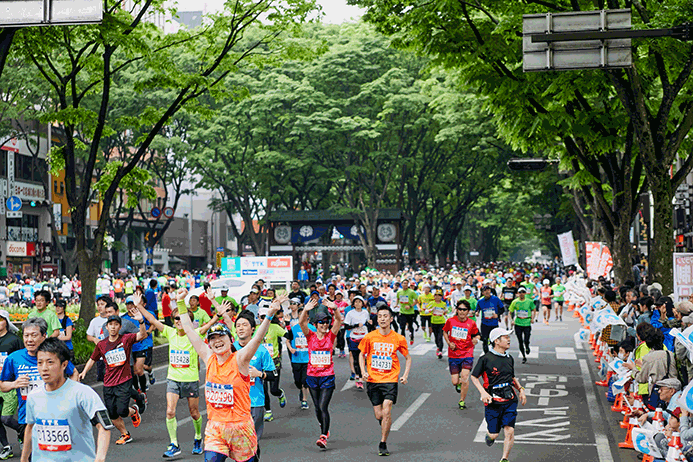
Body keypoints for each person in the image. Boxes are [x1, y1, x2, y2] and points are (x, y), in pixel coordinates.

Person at [179, 287, 286, 462]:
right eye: (213, 338)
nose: (217, 341)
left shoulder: (240, 359)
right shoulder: (208, 358)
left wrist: (269, 316)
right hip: (216, 429)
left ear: (231, 340)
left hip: (241, 429)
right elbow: (190, 332)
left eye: (222, 337)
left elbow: (257, 338)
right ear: (210, 343)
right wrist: (180, 302)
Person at [135, 298, 205, 458]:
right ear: (173, 321)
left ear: (189, 321)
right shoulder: (170, 332)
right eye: (176, 318)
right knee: (170, 411)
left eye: (183, 317)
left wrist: (218, 314)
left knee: (194, 413)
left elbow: (212, 323)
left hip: (191, 380)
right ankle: (174, 443)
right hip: (173, 379)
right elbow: (152, 320)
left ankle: (198, 437)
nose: (179, 321)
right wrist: (139, 306)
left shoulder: (195, 333)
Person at [22, 338, 111, 462]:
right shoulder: (33, 396)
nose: (44, 368)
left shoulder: (82, 393)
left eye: (50, 362)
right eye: (40, 363)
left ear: (64, 364)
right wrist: (24, 458)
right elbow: (30, 428)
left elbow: (104, 427)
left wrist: (99, 459)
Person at [0, 317, 80, 448]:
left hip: (56, 413)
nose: (29, 340)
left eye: (33, 335)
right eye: (26, 335)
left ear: (44, 336)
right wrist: (15, 384)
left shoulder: (55, 354)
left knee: (58, 452)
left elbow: (74, 373)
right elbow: (2, 386)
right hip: (28, 417)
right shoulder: (14, 358)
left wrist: (69, 395)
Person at [79, 311, 148, 445]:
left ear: (120, 327)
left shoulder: (126, 339)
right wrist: (84, 372)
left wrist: (141, 322)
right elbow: (92, 359)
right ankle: (125, 434)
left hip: (124, 379)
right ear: (106, 327)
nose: (113, 327)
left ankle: (133, 411)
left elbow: (142, 335)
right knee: (112, 414)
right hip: (109, 383)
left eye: (116, 324)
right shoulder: (102, 344)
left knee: (122, 410)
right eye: (111, 324)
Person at [358, 304, 411, 457]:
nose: (382, 319)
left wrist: (405, 375)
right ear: (377, 319)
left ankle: (383, 443)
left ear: (391, 319)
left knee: (387, 409)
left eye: (385, 316)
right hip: (373, 380)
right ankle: (385, 424)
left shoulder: (398, 338)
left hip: (390, 380)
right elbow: (361, 355)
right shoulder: (370, 337)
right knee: (379, 415)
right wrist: (363, 371)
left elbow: (407, 358)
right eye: (380, 316)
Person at [470, 327, 527, 462]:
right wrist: (483, 393)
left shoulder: (509, 358)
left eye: (508, 337)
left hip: (510, 399)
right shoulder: (485, 359)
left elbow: (512, 377)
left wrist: (521, 390)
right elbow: (474, 377)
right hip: (493, 401)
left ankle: (504, 458)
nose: (509, 339)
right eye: (505, 337)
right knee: (494, 434)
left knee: (509, 431)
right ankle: (490, 436)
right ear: (496, 341)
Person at [233, 310, 276, 460]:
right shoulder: (230, 350)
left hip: (255, 402)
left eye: (244, 325)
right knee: (238, 443)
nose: (241, 328)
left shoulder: (262, 351)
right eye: (238, 325)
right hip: (234, 403)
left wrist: (260, 374)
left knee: (252, 442)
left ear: (253, 329)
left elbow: (273, 375)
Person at [443, 299, 480, 410]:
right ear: (457, 310)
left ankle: (462, 400)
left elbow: (477, 335)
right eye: (460, 309)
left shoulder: (471, 323)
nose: (462, 312)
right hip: (454, 355)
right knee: (455, 382)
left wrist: (476, 340)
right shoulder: (450, 321)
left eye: (465, 310)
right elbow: (445, 331)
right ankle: (458, 383)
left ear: (468, 311)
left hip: (467, 353)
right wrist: (449, 343)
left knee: (465, 377)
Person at [0, 310, 22, 459]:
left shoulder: (14, 340)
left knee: (6, 418)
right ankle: (6, 446)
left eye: (0, 319)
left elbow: (21, 360)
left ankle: (23, 431)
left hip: (9, 384)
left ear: (6, 322)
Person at [260, 308, 288, 422]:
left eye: (265, 317)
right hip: (261, 363)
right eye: (261, 317)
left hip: (274, 361)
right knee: (263, 389)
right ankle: (268, 411)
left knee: (273, 389)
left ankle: (280, 393)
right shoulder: (257, 329)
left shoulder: (275, 327)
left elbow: (288, 335)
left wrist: (288, 326)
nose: (263, 319)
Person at [285, 301, 313, 410]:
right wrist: (291, 348)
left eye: (305, 315)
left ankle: (304, 400)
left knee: (305, 381)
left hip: (307, 359)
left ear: (308, 317)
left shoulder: (312, 328)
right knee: (298, 381)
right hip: (296, 359)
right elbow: (288, 340)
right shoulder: (294, 328)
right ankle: (302, 391)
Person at [508, 287, 535, 364]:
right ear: (518, 293)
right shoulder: (515, 302)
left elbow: (533, 309)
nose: (521, 294)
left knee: (526, 340)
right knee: (520, 341)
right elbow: (510, 312)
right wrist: (511, 320)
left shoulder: (529, 301)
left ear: (525, 293)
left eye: (523, 292)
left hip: (527, 323)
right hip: (518, 323)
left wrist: (532, 318)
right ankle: (523, 356)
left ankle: (527, 346)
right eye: (520, 292)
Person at [475, 286, 504, 354]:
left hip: (494, 324)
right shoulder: (480, 301)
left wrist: (497, 314)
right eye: (485, 290)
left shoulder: (495, 299)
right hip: (484, 323)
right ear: (482, 292)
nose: (487, 292)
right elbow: (477, 309)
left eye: (488, 290)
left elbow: (502, 309)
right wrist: (477, 312)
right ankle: (486, 354)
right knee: (485, 340)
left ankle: (494, 353)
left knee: (494, 341)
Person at [395, 279, 418, 345]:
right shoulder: (399, 292)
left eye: (406, 283)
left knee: (410, 326)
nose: (405, 285)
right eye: (404, 283)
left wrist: (410, 306)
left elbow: (416, 301)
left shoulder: (411, 292)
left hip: (410, 312)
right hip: (402, 311)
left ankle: (412, 337)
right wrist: (396, 304)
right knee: (402, 327)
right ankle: (403, 340)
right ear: (401, 284)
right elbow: (398, 298)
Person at [430, 288, 449, 359]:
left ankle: (440, 350)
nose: (437, 297)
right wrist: (431, 309)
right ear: (434, 296)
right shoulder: (431, 303)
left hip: (441, 321)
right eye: (436, 295)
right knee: (436, 336)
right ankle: (438, 347)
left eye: (439, 296)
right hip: (434, 321)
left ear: (441, 297)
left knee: (440, 336)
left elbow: (446, 311)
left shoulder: (443, 304)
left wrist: (445, 313)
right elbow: (425, 311)